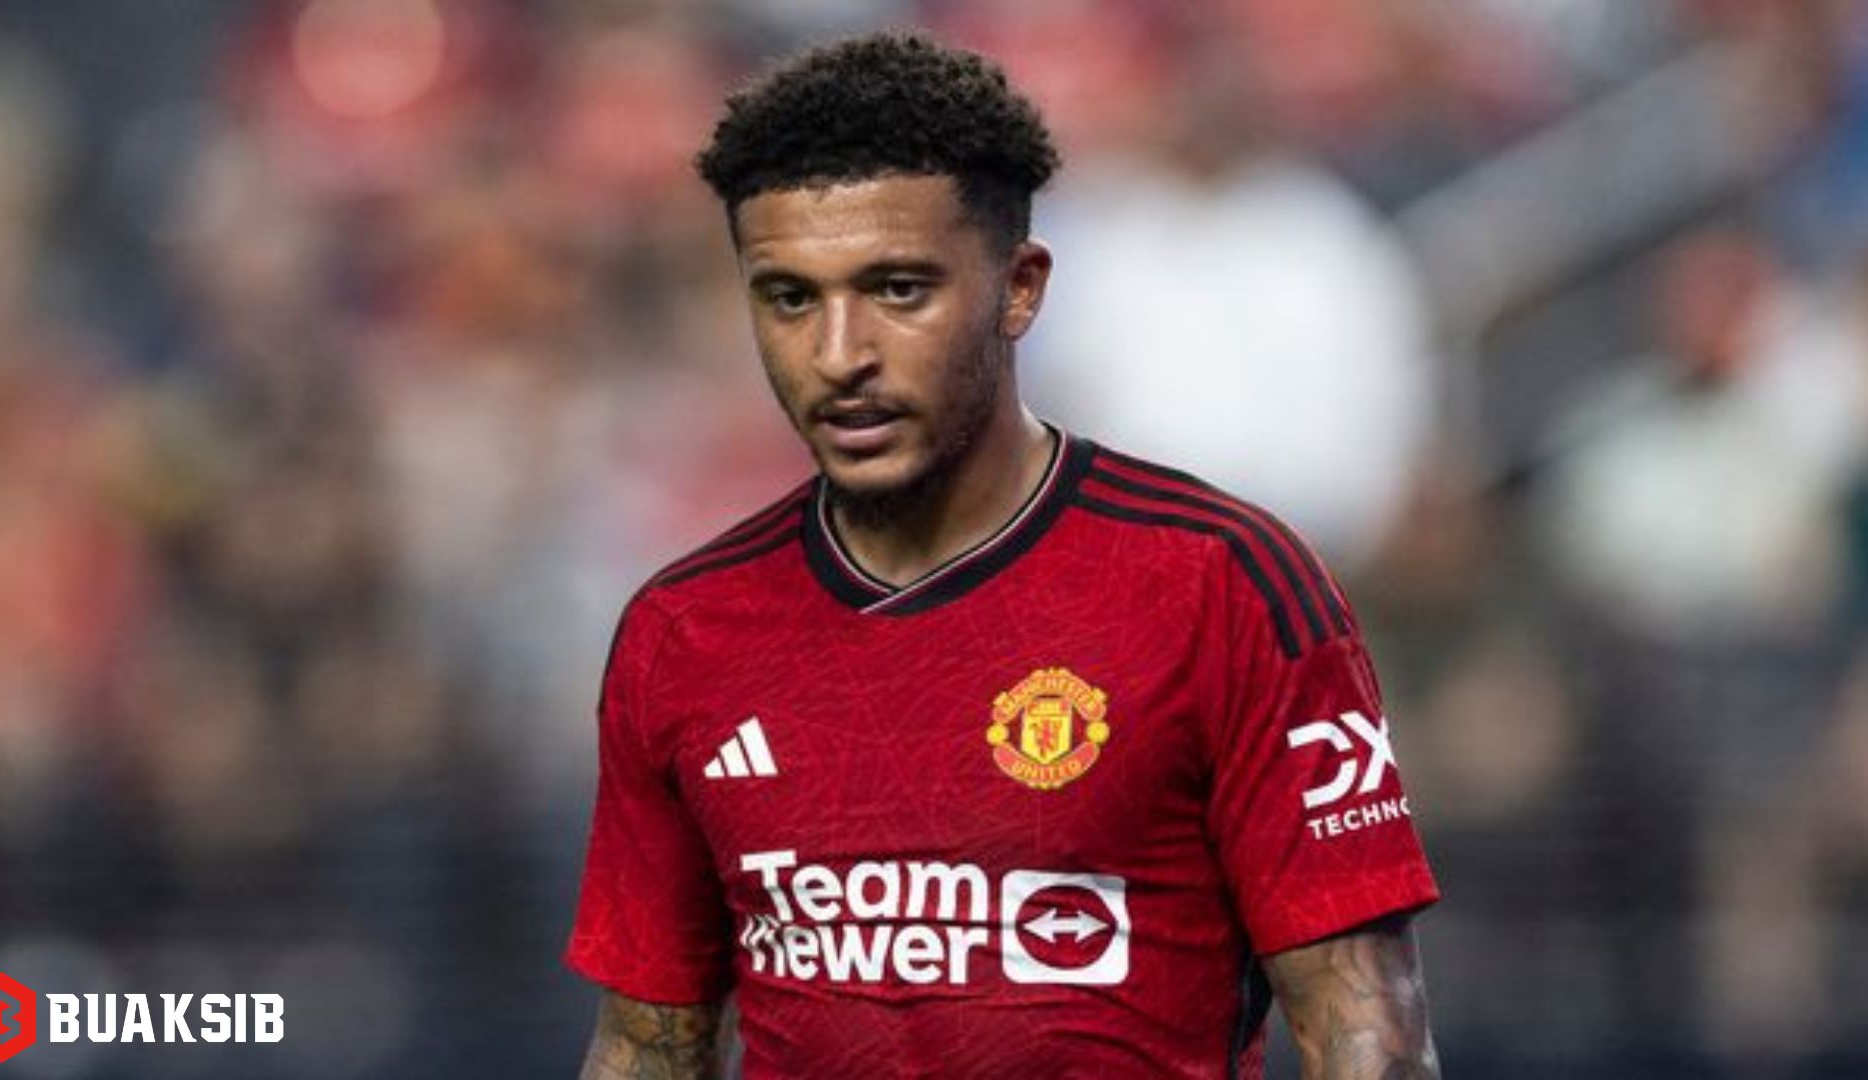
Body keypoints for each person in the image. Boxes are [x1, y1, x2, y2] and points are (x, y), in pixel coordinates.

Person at [566, 31, 1441, 1079]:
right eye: (790, 297)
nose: (839, 356)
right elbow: (644, 1047)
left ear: (1020, 287)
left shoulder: (1224, 586)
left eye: (899, 289)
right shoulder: (684, 632)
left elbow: (1368, 1034)